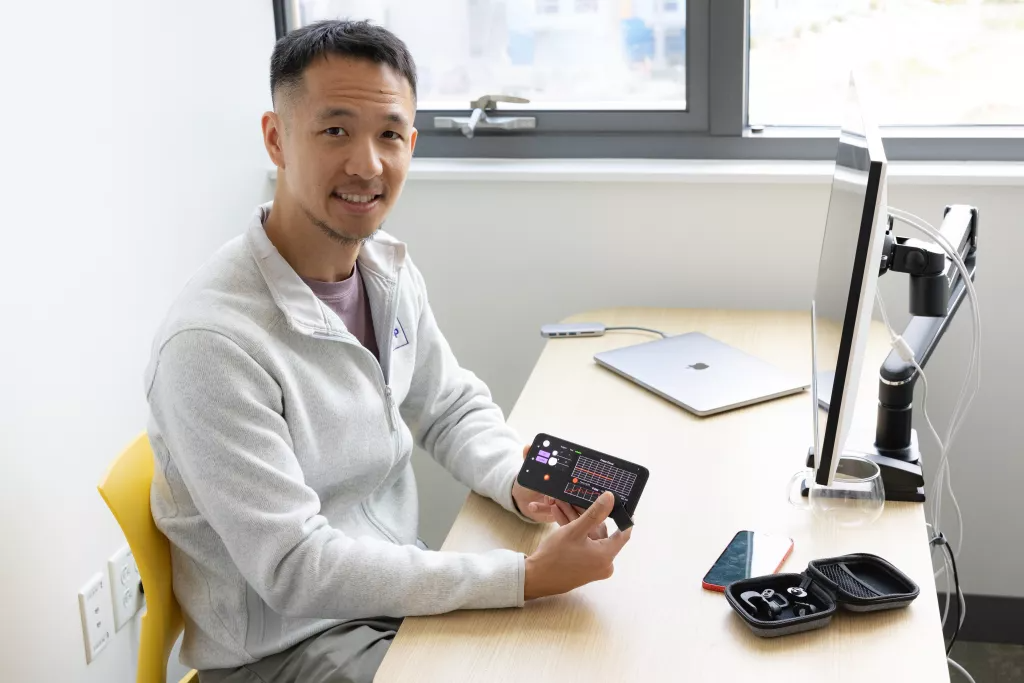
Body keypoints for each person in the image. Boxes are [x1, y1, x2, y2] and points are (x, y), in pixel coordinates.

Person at [145, 19, 632, 683]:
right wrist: (523, 575)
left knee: (589, 645)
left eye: (389, 135)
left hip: (386, 600)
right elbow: (297, 569)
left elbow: (447, 404)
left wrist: (517, 485)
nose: (367, 164)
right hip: (289, 649)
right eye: (335, 130)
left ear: (412, 142)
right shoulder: (212, 345)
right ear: (276, 138)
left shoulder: (385, 269)